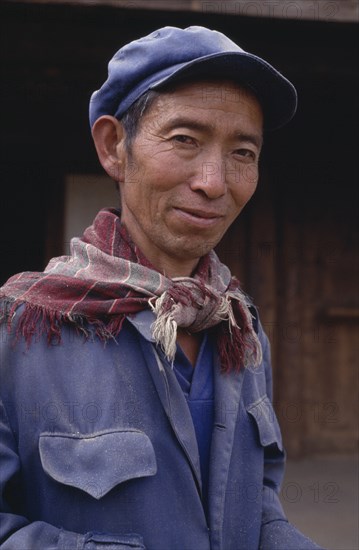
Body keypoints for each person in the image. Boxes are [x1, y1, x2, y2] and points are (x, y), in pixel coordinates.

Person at [0, 26, 322, 550]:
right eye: (184, 140)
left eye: (243, 152)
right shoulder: (19, 332)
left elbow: (257, 505)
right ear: (113, 149)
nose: (214, 182)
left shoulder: (239, 328)